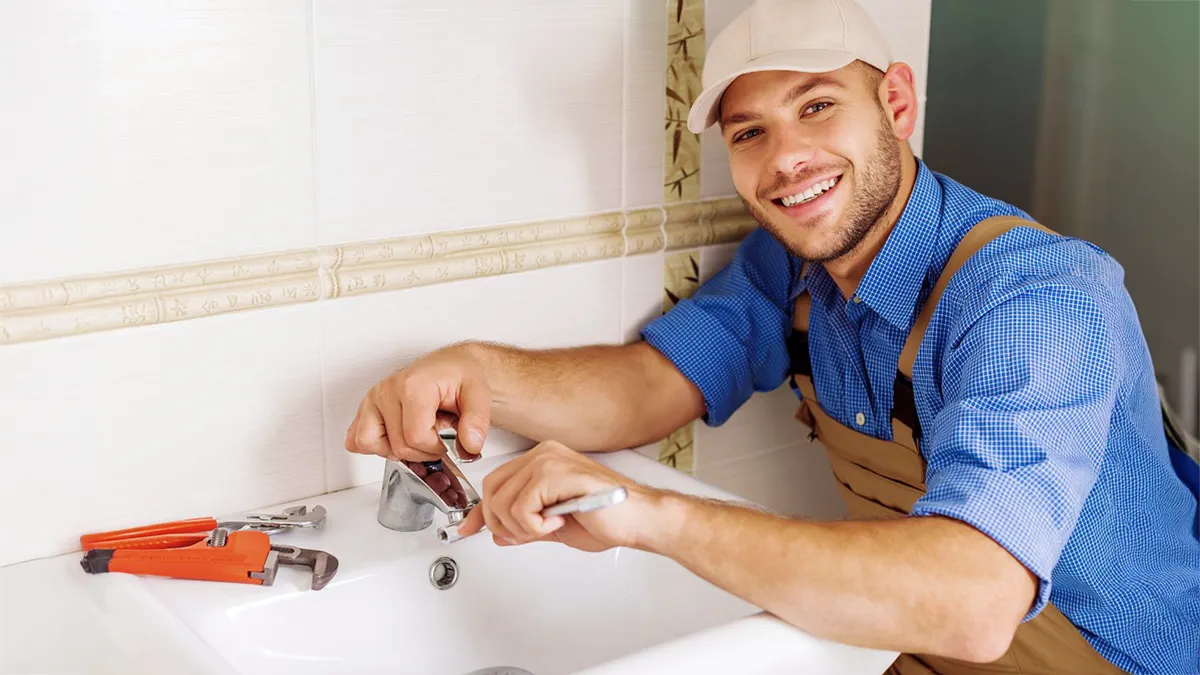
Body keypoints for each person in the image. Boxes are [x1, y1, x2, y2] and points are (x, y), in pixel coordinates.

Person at [343, 0, 1199, 672]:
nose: (786, 160)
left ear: (896, 103)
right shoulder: (795, 268)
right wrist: (471, 370)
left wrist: (646, 514)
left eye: (817, 107)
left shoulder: (1033, 298)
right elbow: (649, 381)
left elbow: (974, 602)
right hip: (913, 652)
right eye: (751, 133)